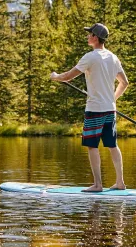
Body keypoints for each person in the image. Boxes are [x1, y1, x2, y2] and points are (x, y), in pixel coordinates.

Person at [50, 23, 129, 192]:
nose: (87, 36)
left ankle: (98, 185)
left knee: (92, 146)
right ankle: (120, 182)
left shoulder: (90, 57)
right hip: (110, 109)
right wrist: (111, 99)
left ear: (95, 37)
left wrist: (55, 77)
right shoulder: (113, 57)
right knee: (112, 145)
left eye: (89, 34)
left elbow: (68, 77)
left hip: (94, 110)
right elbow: (124, 83)